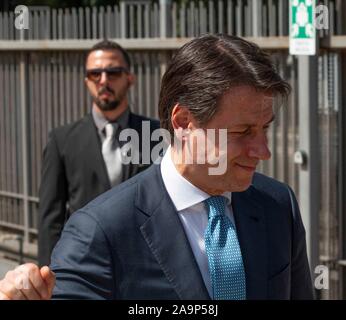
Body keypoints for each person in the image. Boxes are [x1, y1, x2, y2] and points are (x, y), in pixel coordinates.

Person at [0, 34, 313, 300]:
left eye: (265, 129)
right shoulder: (101, 232)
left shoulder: (277, 204)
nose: (264, 151)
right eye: (243, 132)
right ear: (183, 123)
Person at [37, 40, 160, 267]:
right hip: (85, 265)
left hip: (145, 265)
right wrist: (49, 275)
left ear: (129, 78)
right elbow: (50, 219)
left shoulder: (155, 135)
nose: (104, 80)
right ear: (87, 81)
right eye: (95, 73)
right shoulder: (62, 140)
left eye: (113, 72)